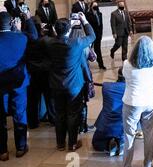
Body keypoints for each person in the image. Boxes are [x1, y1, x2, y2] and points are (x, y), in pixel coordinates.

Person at [44, 13, 95, 151]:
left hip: (56, 84)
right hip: (74, 85)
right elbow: (92, 36)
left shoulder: (49, 43)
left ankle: (60, 143)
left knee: (59, 113)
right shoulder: (76, 42)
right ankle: (72, 143)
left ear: (55, 30)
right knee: (73, 114)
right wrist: (84, 20)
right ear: (69, 30)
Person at [112, 36, 153, 167]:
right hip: (150, 102)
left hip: (132, 103)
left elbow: (125, 77)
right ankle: (148, 164)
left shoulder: (127, 65)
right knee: (149, 134)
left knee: (129, 136)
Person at [0, 10, 38, 161]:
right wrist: (28, 20)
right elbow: (34, 37)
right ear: (11, 23)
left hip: (0, 83)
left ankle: (2, 151)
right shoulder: (21, 38)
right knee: (19, 113)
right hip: (19, 82)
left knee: (0, 117)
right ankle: (21, 147)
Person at [26, 17, 55, 129]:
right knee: (49, 98)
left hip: (32, 74)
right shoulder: (46, 41)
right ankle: (53, 119)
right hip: (46, 73)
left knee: (33, 100)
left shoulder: (26, 41)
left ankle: (33, 122)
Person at [92, 68, 125, 156]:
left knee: (96, 143)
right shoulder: (132, 89)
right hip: (123, 124)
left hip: (105, 124)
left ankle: (108, 145)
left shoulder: (106, 86)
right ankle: (121, 143)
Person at [87, 1, 106, 70]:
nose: (95, 7)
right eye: (94, 5)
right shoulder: (88, 14)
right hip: (91, 35)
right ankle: (86, 65)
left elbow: (101, 25)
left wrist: (101, 34)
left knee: (98, 50)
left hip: (98, 35)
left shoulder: (99, 14)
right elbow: (87, 26)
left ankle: (101, 64)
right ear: (91, 6)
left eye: (96, 5)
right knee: (88, 50)